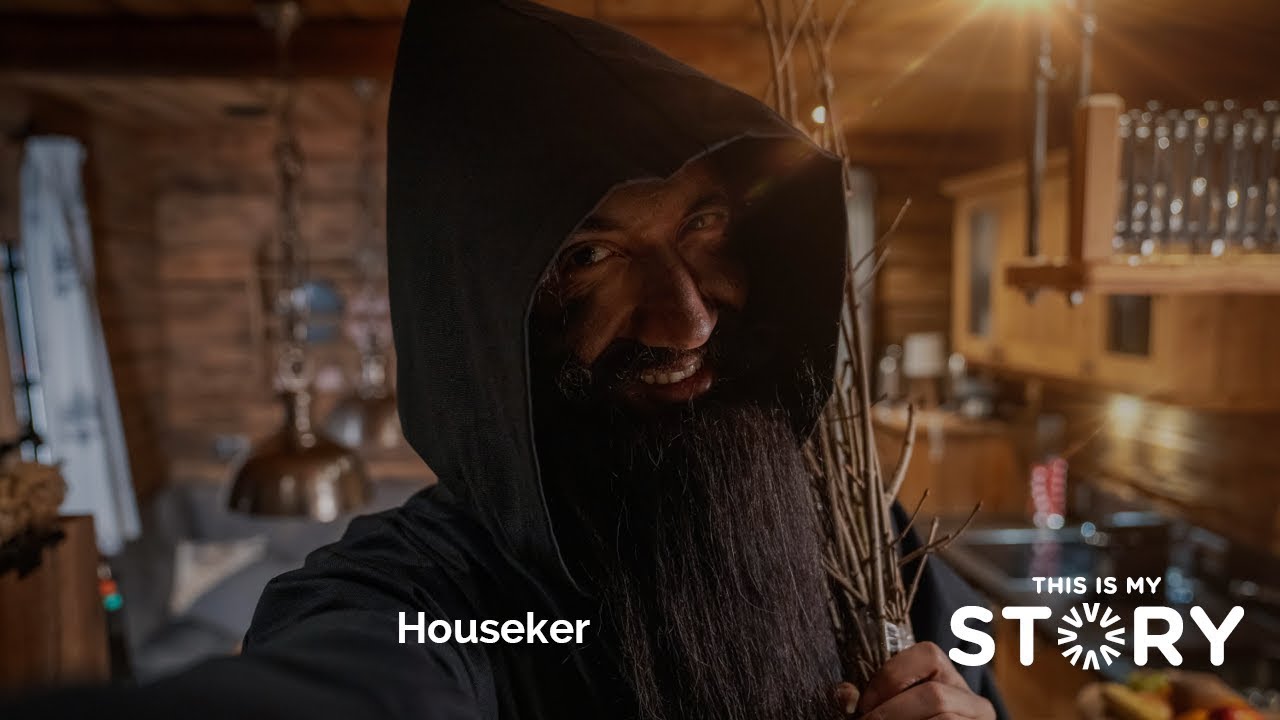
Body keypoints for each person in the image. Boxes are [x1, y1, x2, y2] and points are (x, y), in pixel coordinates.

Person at [3, 1, 1007, 718]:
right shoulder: (434, 600)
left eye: (703, 225)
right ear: (487, 320)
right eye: (589, 257)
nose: (686, 319)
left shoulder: (861, 536)